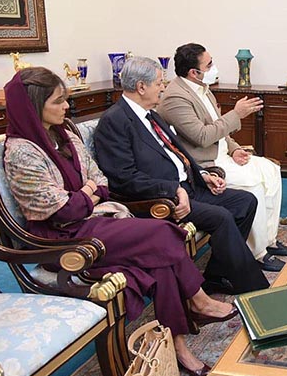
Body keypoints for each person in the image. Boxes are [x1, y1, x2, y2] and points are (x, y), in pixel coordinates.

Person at [2, 67, 236, 376]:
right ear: (33, 107)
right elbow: (64, 211)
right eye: (58, 102)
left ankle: (177, 344)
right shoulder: (20, 152)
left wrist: (85, 194)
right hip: (61, 239)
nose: (66, 107)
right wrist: (88, 193)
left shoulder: (66, 134)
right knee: (166, 234)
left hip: (92, 221)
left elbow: (100, 180)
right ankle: (198, 300)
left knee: (160, 262)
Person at [93, 56, 269, 297]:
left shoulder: (151, 115)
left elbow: (178, 153)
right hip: (160, 199)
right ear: (141, 87)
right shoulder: (114, 121)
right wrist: (173, 190)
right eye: (159, 83)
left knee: (246, 201)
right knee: (222, 217)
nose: (163, 87)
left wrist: (203, 175)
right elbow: (123, 178)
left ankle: (216, 276)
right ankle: (254, 289)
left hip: (187, 187)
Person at [157, 43, 287, 272]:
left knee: (270, 170)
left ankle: (269, 241)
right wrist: (237, 114)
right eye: (209, 64)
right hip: (206, 163)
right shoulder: (175, 97)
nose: (214, 67)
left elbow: (219, 128)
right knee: (253, 186)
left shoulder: (202, 86)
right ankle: (256, 253)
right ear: (193, 72)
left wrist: (234, 148)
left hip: (223, 155)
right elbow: (202, 136)